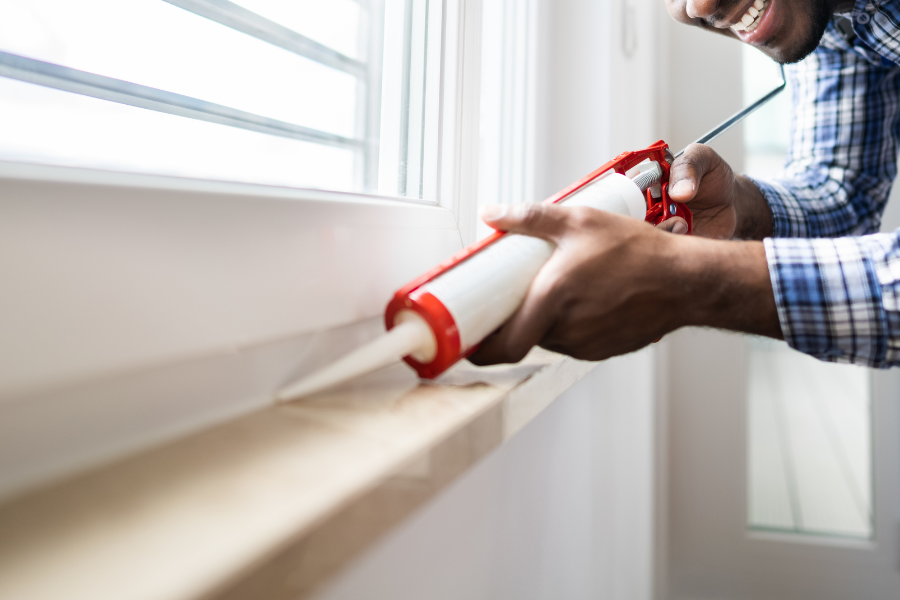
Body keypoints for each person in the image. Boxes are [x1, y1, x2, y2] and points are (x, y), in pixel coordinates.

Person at [469, 0, 900, 369]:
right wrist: (744, 208)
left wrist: (692, 281)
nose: (699, 7)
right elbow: (845, 193)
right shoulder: (837, 17)